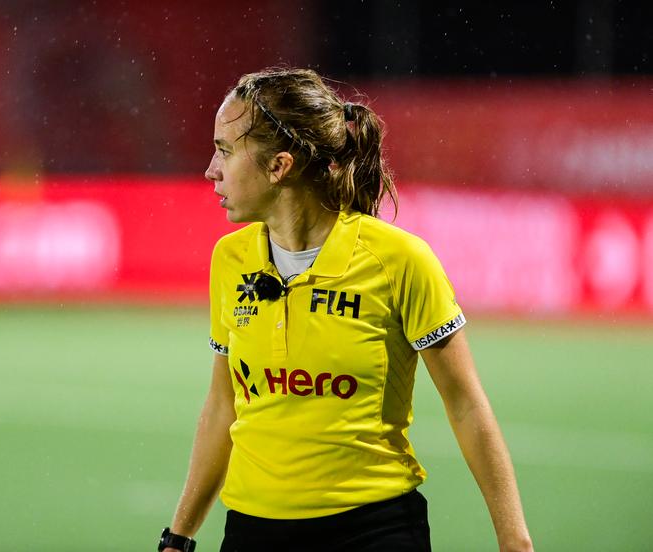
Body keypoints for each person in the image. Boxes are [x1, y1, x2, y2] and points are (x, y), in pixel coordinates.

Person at [158, 68, 533, 552]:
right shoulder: (230, 259)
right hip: (253, 531)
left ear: (279, 166)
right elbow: (222, 405)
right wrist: (179, 536)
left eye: (225, 151)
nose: (211, 170)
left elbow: (465, 404)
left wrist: (514, 540)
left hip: (374, 530)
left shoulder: (399, 260)